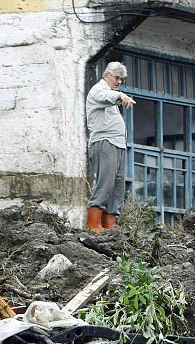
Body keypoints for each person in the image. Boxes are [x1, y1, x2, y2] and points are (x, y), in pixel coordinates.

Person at [85, 62, 136, 232]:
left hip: (118, 144)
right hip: (104, 142)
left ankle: (110, 226)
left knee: (118, 187)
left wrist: (118, 96)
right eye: (116, 77)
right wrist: (121, 96)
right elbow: (105, 97)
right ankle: (93, 225)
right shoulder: (98, 90)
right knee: (105, 183)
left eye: (121, 79)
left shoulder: (111, 94)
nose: (119, 81)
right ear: (106, 75)